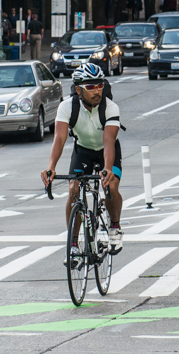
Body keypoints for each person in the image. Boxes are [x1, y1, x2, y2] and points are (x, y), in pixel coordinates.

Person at [41, 63, 124, 258]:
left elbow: (109, 140)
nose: (97, 91)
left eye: (99, 85)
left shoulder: (110, 107)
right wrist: (51, 167)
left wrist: (107, 169)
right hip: (83, 151)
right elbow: (59, 139)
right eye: (90, 87)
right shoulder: (67, 106)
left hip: (107, 151)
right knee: (74, 189)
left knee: (110, 187)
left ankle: (114, 226)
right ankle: (73, 243)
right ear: (78, 89)